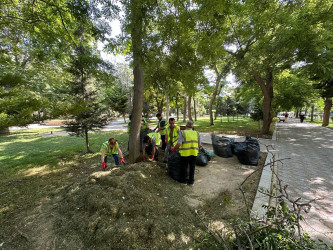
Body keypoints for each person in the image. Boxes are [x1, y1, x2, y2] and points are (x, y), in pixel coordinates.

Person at [171, 120, 201, 185]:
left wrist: (174, 148)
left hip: (185, 153)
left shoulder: (183, 133)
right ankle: (191, 182)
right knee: (192, 167)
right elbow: (199, 145)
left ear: (186, 126)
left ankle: (183, 181)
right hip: (194, 153)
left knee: (184, 167)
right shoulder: (197, 133)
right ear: (192, 126)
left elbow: (179, 144)